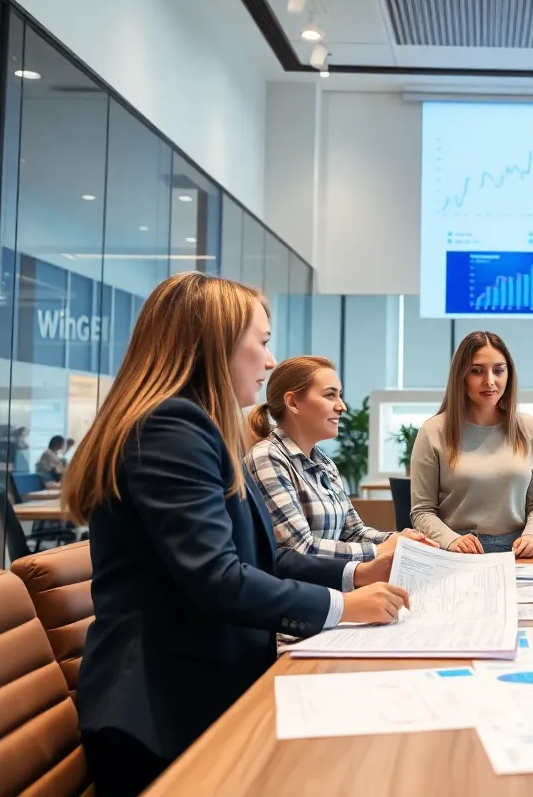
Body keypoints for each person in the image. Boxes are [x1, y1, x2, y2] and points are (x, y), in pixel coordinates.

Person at [62, 273, 410, 796]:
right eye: (263, 342)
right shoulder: (172, 427)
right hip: (162, 715)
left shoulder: (197, 426)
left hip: (200, 689)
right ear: (214, 341)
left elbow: (259, 560)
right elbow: (219, 580)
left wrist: (357, 574)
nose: (270, 362)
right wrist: (345, 606)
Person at [247, 355, 432, 561]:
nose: (341, 406)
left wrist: (400, 540)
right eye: (329, 396)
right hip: (304, 590)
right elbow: (298, 548)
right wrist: (379, 551)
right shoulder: (268, 457)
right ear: (293, 403)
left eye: (339, 395)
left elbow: (353, 533)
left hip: (332, 584)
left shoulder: (325, 464)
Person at [410, 331, 533, 556]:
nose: (490, 381)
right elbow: (422, 512)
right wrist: (452, 540)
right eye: (477, 371)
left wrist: (532, 536)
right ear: (461, 375)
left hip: (517, 554)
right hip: (456, 551)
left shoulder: (530, 429)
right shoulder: (433, 431)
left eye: (498, 370)